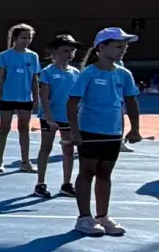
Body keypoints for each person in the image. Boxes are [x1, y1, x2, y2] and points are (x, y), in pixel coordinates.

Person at [68, 28, 143, 236]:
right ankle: (84, 218)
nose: (123, 50)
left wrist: (134, 129)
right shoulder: (89, 73)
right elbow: (72, 103)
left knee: (104, 173)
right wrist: (75, 132)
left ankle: (102, 216)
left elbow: (131, 101)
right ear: (101, 47)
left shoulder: (124, 74)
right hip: (90, 131)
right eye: (118, 46)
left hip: (113, 133)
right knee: (87, 171)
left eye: (125, 46)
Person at [35, 34, 79, 198]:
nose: (69, 54)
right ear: (55, 52)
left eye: (72, 51)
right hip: (51, 117)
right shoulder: (47, 72)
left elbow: (77, 97)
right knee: (46, 148)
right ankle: (40, 183)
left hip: (68, 117)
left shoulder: (75, 72)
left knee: (68, 150)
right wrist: (48, 118)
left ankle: (66, 184)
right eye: (65, 50)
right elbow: (44, 96)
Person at [0, 23, 40, 173]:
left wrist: (36, 99)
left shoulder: (33, 56)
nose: (26, 40)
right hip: (8, 97)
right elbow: (0, 79)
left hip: (25, 98)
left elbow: (35, 79)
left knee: (24, 129)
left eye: (29, 38)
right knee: (4, 128)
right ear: (15, 38)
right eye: (23, 37)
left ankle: (25, 162)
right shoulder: (4, 56)